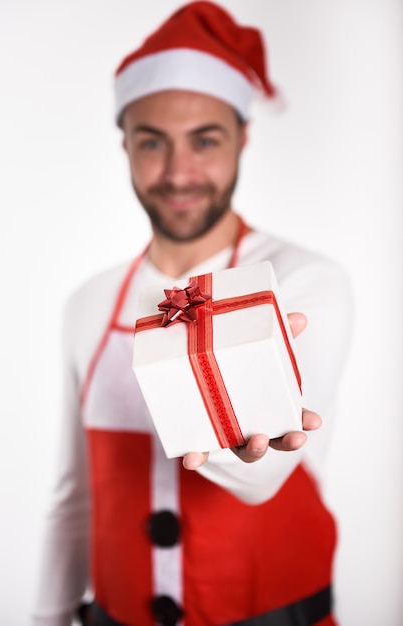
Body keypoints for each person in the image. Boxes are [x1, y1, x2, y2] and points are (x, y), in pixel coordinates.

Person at [32, 2, 352, 625]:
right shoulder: (90, 301)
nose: (179, 173)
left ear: (242, 139)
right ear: (124, 144)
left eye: (205, 140)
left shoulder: (303, 281)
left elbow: (266, 476)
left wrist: (244, 440)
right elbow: (74, 498)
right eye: (152, 142)